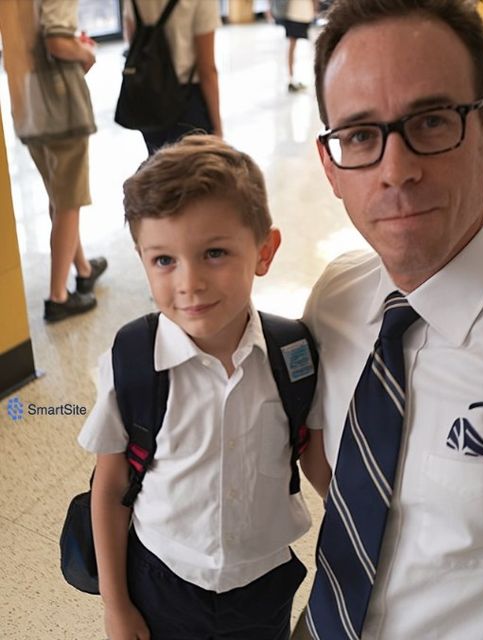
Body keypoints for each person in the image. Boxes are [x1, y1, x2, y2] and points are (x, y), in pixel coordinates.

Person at [294, 0, 483, 638]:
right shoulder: (334, 300)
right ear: (331, 166)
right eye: (360, 135)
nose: (396, 171)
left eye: (433, 121)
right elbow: (327, 461)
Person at [78, 135, 312, 640]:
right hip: (162, 577)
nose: (189, 283)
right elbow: (111, 486)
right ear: (141, 259)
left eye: (214, 253)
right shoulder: (132, 362)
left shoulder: (292, 355)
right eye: (164, 260)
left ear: (264, 251)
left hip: (262, 580)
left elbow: (316, 458)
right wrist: (116, 607)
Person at [0, 0, 107, 322]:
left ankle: (84, 269)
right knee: (68, 201)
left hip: (25, 100)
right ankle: (58, 297)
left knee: (58, 195)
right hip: (59, 104)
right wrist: (86, 53)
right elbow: (57, 42)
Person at [123, 0, 222, 155]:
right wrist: (218, 128)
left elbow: (132, 37)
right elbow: (207, 69)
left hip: (148, 92)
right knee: (192, 171)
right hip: (187, 98)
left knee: (159, 165)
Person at [282, 0, 318, 93]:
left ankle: (291, 78)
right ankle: (293, 78)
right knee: (310, 48)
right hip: (303, 14)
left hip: (292, 14)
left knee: (292, 46)